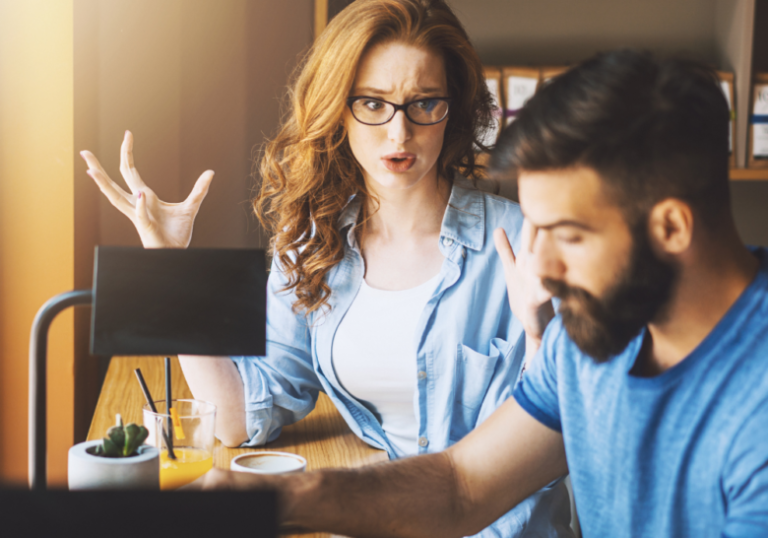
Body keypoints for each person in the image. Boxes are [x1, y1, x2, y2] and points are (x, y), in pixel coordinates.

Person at [188, 49, 768, 538]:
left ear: (670, 228)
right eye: (533, 226)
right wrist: (284, 497)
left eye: (566, 234)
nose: (537, 264)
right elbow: (462, 486)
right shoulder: (592, 334)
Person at [80, 0, 570, 536]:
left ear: (453, 109)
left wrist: (543, 336)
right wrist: (171, 269)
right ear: (338, 107)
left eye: (424, 103)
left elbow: (554, 432)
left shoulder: (528, 242)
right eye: (373, 103)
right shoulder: (312, 246)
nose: (399, 133)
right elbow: (242, 416)